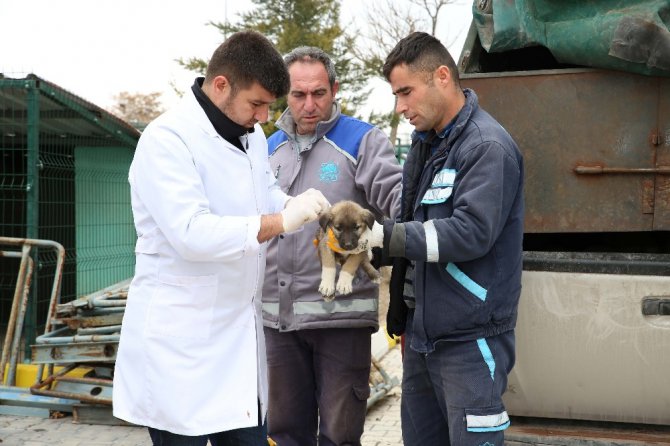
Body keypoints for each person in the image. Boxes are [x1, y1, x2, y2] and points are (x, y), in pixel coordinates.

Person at [112, 31, 329, 446]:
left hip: (237, 348)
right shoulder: (167, 139)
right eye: (257, 103)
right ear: (221, 85)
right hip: (180, 352)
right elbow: (191, 233)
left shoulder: (252, 138)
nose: (265, 117)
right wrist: (283, 220)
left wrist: (303, 206)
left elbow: (265, 197)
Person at [366, 31, 525, 445]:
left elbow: (472, 232)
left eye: (406, 92)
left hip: (470, 343)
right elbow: (413, 222)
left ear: (441, 76)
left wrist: (388, 237)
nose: (400, 107)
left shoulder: (486, 146)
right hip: (421, 339)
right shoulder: (426, 145)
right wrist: (373, 246)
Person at [261, 46, 403, 445]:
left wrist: (384, 235)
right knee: (284, 433)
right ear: (283, 93)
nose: (309, 105)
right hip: (278, 322)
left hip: (340, 320)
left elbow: (398, 201)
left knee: (340, 436)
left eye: (319, 93)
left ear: (335, 89)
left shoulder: (362, 141)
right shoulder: (267, 149)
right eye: (298, 94)